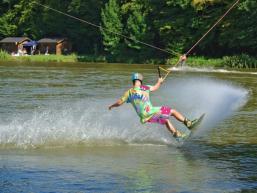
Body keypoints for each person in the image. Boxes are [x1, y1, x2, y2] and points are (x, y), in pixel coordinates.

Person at [108, 57, 196, 140]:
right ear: (140, 81)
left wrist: (112, 105)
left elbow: (119, 103)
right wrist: (159, 82)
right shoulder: (144, 88)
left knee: (165, 121)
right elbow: (155, 88)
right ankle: (189, 123)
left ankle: (177, 135)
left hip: (145, 117)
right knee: (173, 111)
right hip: (150, 111)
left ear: (133, 81)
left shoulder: (129, 92)